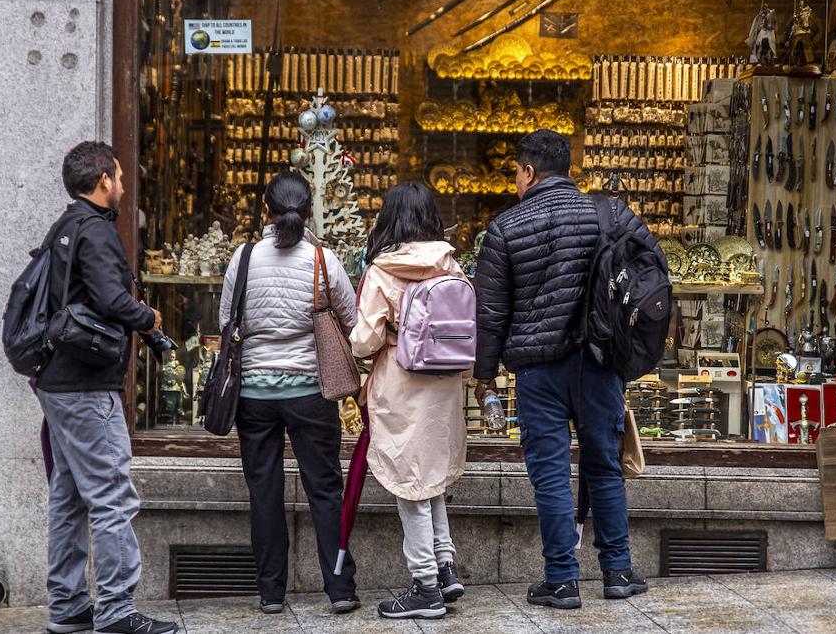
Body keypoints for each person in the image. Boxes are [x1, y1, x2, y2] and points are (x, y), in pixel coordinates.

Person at [473, 129, 656, 610]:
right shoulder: (608, 215)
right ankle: (617, 572)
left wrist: (485, 374)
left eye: (515, 172)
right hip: (599, 365)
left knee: (551, 474)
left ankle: (561, 579)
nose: (515, 180)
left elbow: (490, 311)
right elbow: (651, 273)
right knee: (604, 467)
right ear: (568, 170)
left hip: (538, 372)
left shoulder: (505, 228)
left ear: (529, 172)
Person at [37, 142, 176, 634]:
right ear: (102, 182)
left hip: (58, 381)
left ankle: (69, 605)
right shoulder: (95, 231)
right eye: (118, 177)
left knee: (70, 495)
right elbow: (112, 298)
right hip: (86, 385)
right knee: (114, 495)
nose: (121, 185)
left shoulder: (64, 226)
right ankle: (116, 610)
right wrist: (148, 316)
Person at [219, 171, 360, 615]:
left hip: (254, 395)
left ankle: (271, 592)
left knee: (263, 490)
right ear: (309, 208)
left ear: (267, 210)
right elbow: (353, 321)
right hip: (310, 391)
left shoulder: (243, 259)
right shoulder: (322, 260)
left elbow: (227, 322)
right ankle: (340, 589)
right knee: (324, 488)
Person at [349, 183, 468, 620]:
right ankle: (445, 563)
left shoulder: (383, 270)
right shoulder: (450, 264)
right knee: (431, 477)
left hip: (402, 386)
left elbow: (363, 342)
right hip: (445, 387)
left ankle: (425, 587)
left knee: (409, 483)